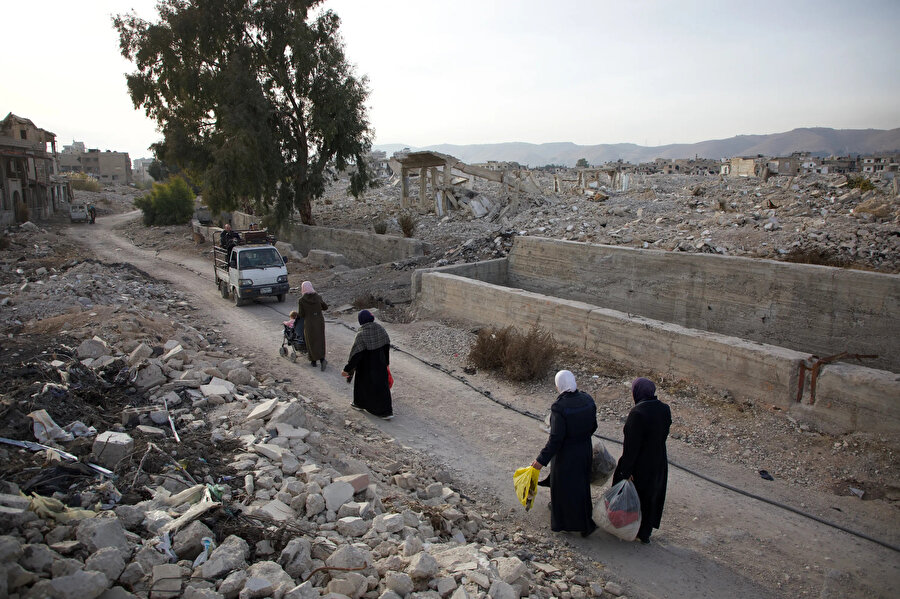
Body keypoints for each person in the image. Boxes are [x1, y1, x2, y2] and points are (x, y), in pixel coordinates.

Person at [530, 370, 598, 537]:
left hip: (566, 455)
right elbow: (593, 426)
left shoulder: (559, 407)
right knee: (581, 487)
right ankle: (585, 524)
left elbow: (556, 439)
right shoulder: (588, 400)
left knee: (563, 488)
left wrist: (540, 461)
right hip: (584, 451)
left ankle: (565, 523)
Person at [612, 377, 672, 545]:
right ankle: (644, 533)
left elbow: (631, 446)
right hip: (658, 460)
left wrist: (626, 470)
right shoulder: (664, 409)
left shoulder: (638, 413)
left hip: (640, 465)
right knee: (650, 497)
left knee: (633, 496)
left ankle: (626, 527)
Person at [341, 310, 393, 420]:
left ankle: (360, 404)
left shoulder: (362, 334)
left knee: (363, 386)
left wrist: (347, 369)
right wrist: (386, 363)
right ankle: (386, 411)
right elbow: (386, 346)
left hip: (366, 367)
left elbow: (356, 355)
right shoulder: (380, 329)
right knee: (382, 387)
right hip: (380, 364)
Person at [298, 281, 328, 370]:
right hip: (319, 321)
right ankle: (322, 359)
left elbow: (301, 314)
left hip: (309, 322)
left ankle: (313, 361)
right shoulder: (318, 297)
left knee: (310, 340)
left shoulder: (302, 300)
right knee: (320, 339)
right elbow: (325, 307)